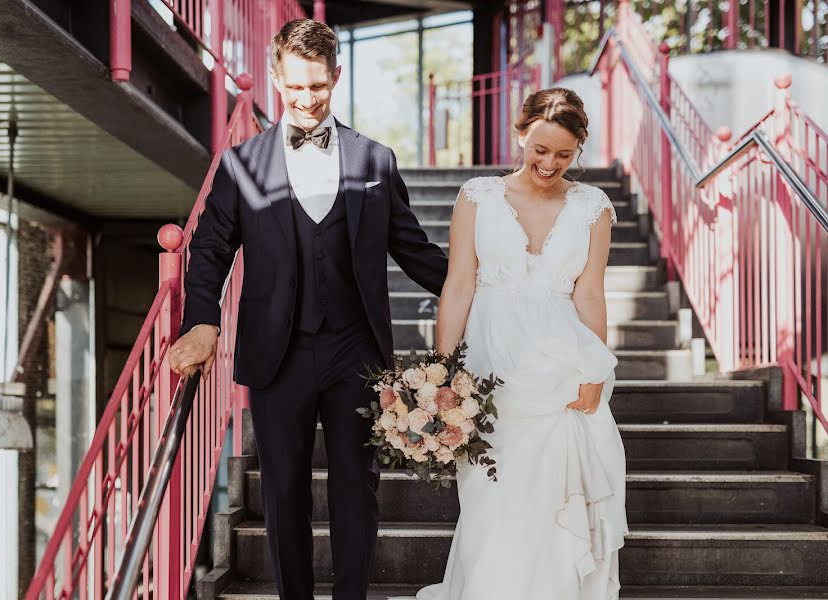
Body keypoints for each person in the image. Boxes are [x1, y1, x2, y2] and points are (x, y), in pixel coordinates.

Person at [168, 18, 448, 600]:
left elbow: (415, 249)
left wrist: (484, 290)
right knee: (283, 490)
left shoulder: (376, 161)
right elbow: (212, 251)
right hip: (277, 351)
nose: (305, 99)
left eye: (317, 87)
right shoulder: (242, 166)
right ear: (275, 79)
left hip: (355, 351)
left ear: (337, 77)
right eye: (294, 87)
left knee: (356, 488)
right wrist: (202, 322)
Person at [417, 88, 628, 600]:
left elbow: (591, 292)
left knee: (554, 491)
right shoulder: (478, 196)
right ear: (520, 135)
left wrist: (594, 370)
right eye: (540, 149)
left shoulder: (593, 207)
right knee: (492, 493)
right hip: (491, 361)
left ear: (579, 150)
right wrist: (442, 373)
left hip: (561, 360)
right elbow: (459, 283)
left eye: (564, 154)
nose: (549, 163)